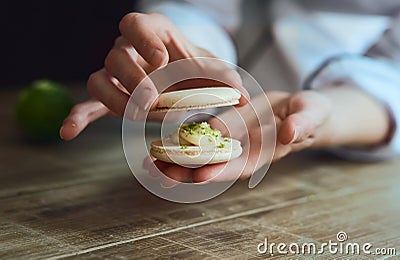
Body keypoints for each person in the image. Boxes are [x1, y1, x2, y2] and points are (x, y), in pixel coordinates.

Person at [60, 0, 400, 183]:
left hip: (348, 154)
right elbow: (197, 8)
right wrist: (183, 53)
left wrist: (331, 115)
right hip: (209, 107)